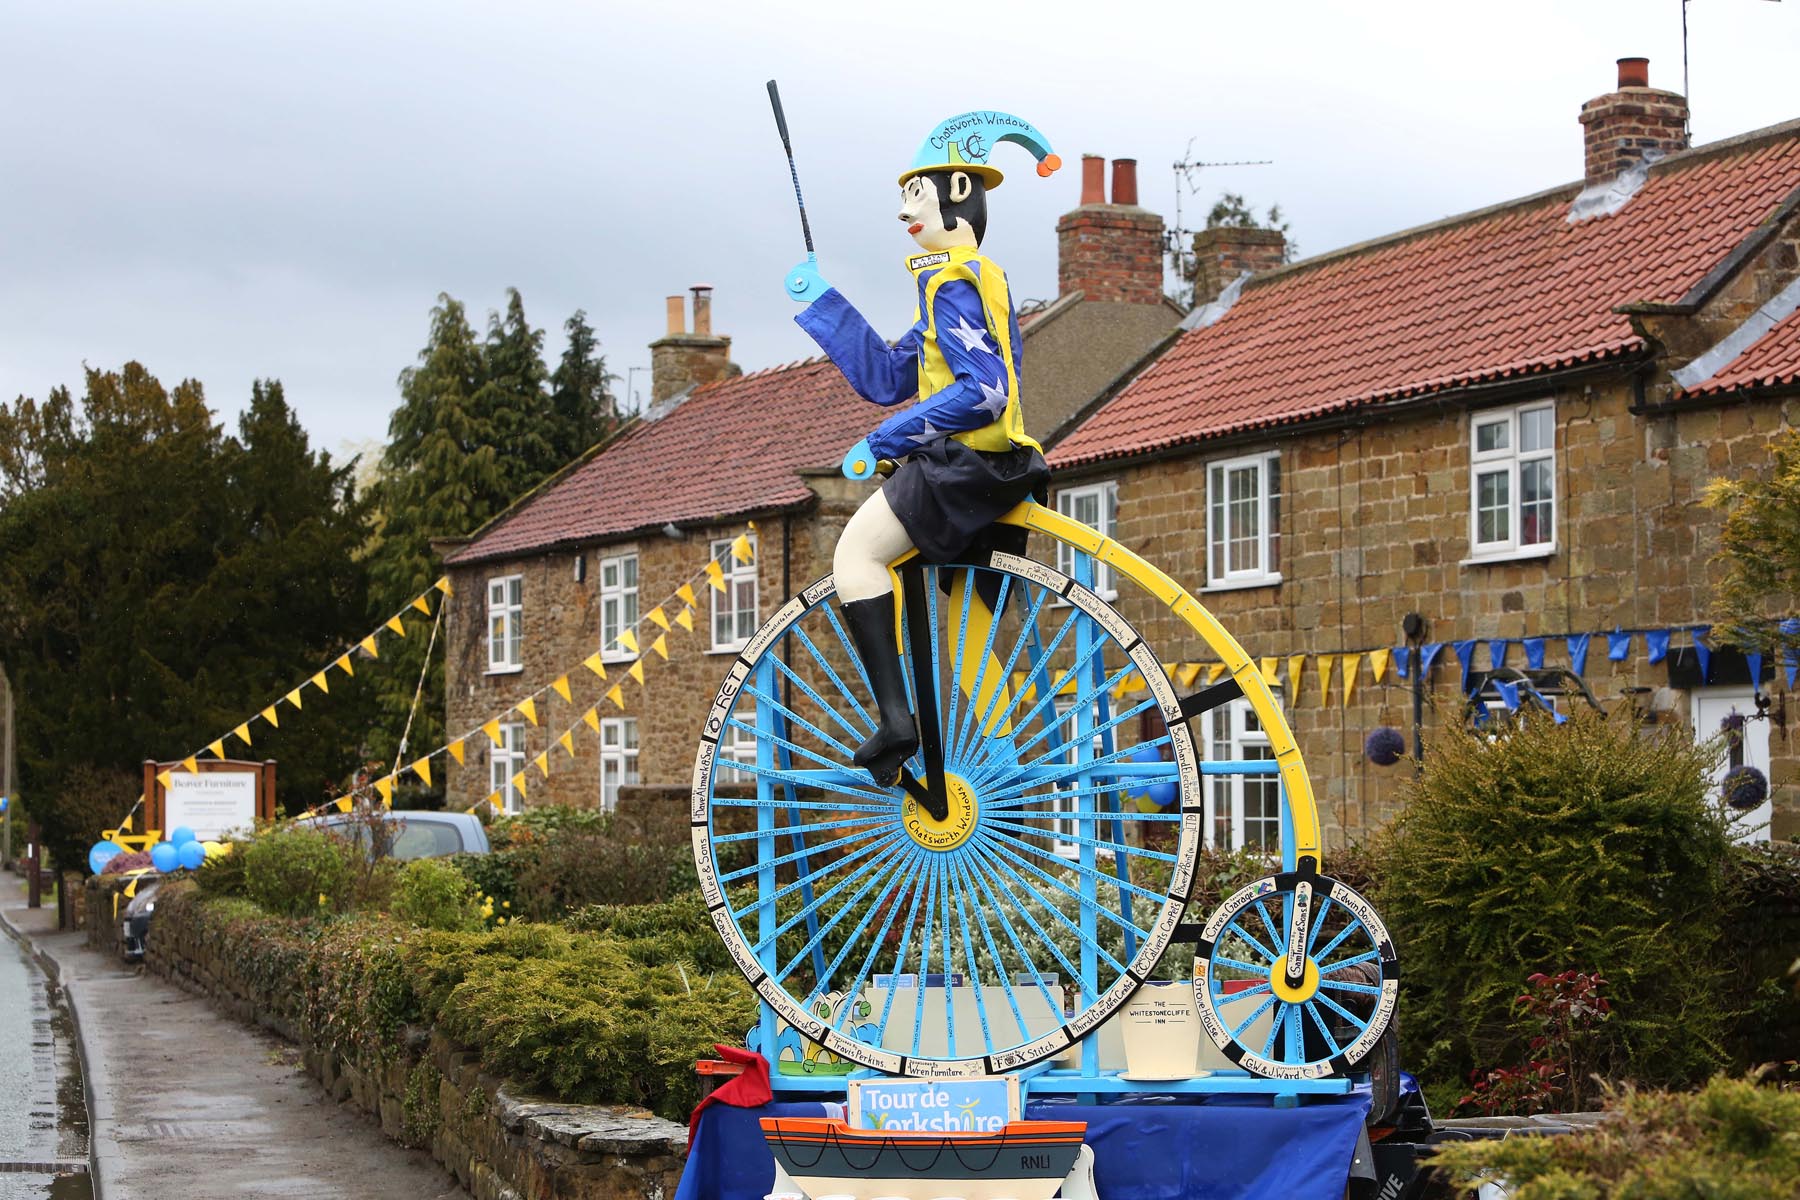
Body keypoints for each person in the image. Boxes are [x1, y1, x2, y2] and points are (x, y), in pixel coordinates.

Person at [785, 112, 1060, 787]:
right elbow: (886, 376)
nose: (904, 211)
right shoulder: (973, 280)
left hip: (964, 469)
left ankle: (895, 719)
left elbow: (985, 392)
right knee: (967, 637)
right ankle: (1006, 774)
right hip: (1004, 470)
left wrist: (884, 440)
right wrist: (820, 300)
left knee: (855, 556)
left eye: (915, 195)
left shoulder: (952, 282)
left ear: (957, 191)